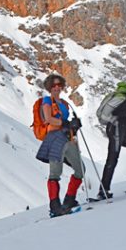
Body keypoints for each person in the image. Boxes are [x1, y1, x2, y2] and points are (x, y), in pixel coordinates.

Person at [35, 74, 85, 217]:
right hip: (55, 139)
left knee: (80, 169)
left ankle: (69, 200)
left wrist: (73, 126)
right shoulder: (47, 101)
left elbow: (64, 120)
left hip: (67, 138)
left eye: (59, 85)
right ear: (49, 87)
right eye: (53, 85)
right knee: (55, 173)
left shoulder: (63, 102)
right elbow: (48, 119)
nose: (56, 88)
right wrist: (66, 123)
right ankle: (55, 207)